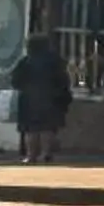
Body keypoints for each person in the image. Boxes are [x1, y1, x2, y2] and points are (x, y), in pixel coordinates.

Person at [9, 34, 72, 164]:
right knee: (48, 128)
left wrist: (25, 88)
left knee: (30, 129)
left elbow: (15, 81)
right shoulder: (55, 61)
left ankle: (31, 155)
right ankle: (46, 154)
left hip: (29, 99)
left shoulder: (26, 61)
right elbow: (64, 80)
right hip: (52, 99)